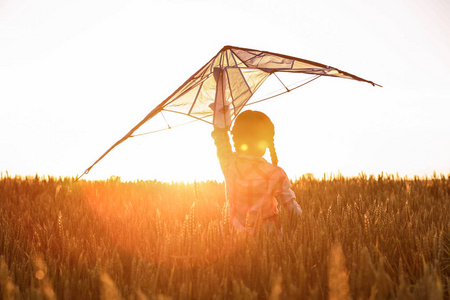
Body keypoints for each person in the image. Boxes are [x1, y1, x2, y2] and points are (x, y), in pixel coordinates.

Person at [211, 108, 302, 233]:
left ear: (235, 138)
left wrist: (221, 115)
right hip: (269, 240)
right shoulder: (275, 173)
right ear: (266, 142)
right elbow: (292, 210)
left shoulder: (229, 164)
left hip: (232, 237)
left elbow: (221, 140)